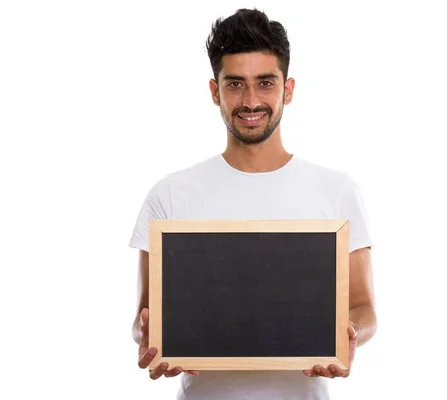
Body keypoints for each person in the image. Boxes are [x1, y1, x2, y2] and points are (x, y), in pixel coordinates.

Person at [129, 8, 377, 400]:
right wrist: (149, 342)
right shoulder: (170, 195)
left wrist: (350, 335)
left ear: (288, 89)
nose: (250, 100)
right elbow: (145, 317)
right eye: (235, 84)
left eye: (265, 83)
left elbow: (363, 308)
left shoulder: (336, 190)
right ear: (215, 92)